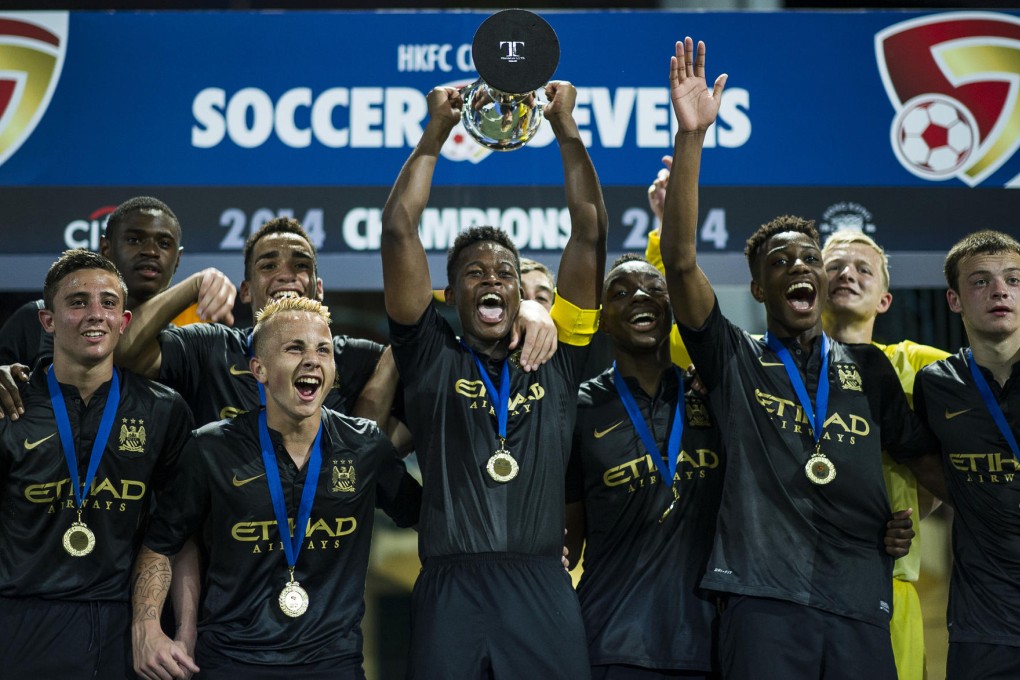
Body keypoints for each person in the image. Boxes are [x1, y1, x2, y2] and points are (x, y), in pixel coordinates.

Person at [657, 37, 944, 679]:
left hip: (860, 603)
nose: (798, 268)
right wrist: (693, 137)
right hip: (763, 605)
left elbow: (930, 465)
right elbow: (679, 263)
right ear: (759, 289)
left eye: (807, 258)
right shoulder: (733, 359)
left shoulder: (870, 370)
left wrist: (912, 519)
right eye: (779, 263)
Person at [381, 80, 606, 679]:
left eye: (505, 272)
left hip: (540, 583)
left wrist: (565, 128)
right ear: (450, 294)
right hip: (449, 586)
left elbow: (588, 232)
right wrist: (436, 129)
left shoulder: (557, 357)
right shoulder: (429, 356)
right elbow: (400, 229)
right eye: (474, 273)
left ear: (518, 289)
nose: (493, 280)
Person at [132, 296, 421, 680]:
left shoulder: (365, 445)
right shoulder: (210, 448)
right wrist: (147, 629)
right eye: (294, 348)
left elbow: (426, 516)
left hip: (333, 663)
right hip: (232, 660)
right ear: (259, 369)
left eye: (323, 349)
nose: (312, 359)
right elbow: (160, 545)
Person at [0, 249, 193, 678]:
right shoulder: (10, 404)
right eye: (77, 302)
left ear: (124, 323)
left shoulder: (163, 411)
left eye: (108, 303)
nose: (95, 314)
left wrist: (157, 624)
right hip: (18, 621)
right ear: (47, 321)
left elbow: (171, 533)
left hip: (118, 628)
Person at [565, 254, 724, 679]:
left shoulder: (714, 396)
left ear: (671, 309)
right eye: (620, 292)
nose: (640, 295)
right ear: (601, 319)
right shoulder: (579, 409)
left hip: (714, 642)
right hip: (614, 640)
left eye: (655, 289)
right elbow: (569, 538)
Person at [821, 228, 950, 680]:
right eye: (833, 267)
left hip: (889, 587)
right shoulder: (770, 366)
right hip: (792, 588)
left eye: (862, 269)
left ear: (884, 301)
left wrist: (920, 505)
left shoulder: (917, 365)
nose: (847, 275)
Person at [115, 217, 384, 427]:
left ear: (319, 288)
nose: (286, 275)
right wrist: (195, 285)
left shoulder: (351, 359)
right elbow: (122, 350)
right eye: (268, 266)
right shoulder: (211, 348)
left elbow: (411, 356)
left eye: (301, 266)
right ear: (245, 291)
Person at [0, 196, 234, 421]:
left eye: (164, 244)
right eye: (134, 240)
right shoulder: (34, 321)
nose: (151, 251)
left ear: (178, 259)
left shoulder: (180, 348)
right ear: (106, 248)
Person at [913, 230, 1020, 679]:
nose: (1000, 290)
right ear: (954, 300)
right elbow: (924, 467)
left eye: (1014, 279)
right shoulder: (935, 384)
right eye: (981, 281)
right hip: (984, 623)